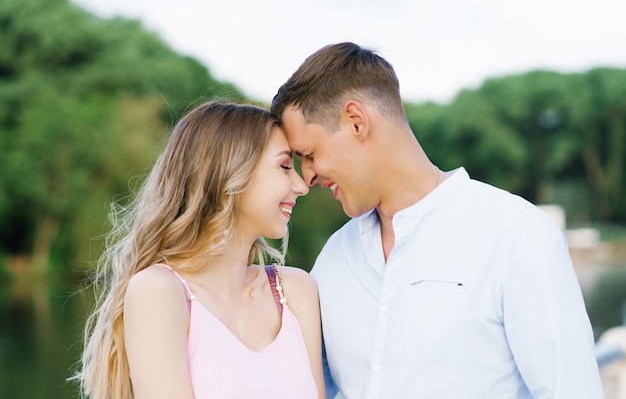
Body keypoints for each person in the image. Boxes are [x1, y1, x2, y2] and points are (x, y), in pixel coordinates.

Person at [270, 42, 604, 398]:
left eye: (309, 154)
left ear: (356, 121)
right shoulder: (334, 258)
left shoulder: (517, 234)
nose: (307, 178)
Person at [73, 100, 325, 399]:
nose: (301, 185)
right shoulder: (160, 291)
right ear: (230, 172)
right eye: (284, 166)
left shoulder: (295, 290)